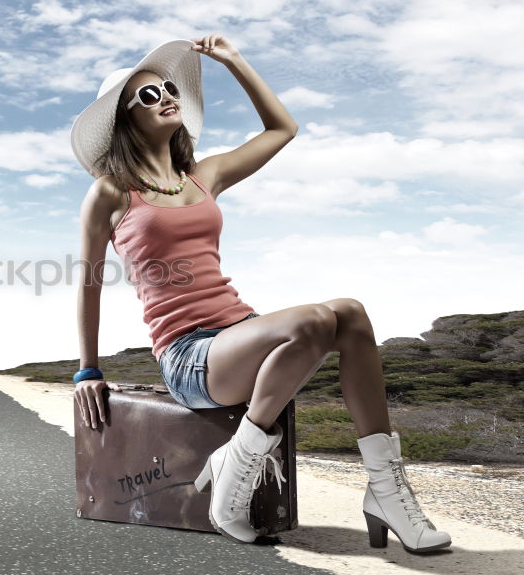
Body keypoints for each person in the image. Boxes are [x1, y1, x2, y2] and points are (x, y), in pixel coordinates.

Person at [69, 35, 451, 553]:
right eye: (147, 96)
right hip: (190, 356)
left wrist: (233, 60)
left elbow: (283, 129)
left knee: (352, 316)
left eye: (166, 87)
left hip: (241, 333)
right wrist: (88, 370)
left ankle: (386, 489)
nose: (164, 96)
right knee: (315, 320)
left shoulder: (205, 177)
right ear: (125, 120)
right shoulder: (111, 192)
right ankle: (238, 461)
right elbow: (88, 283)